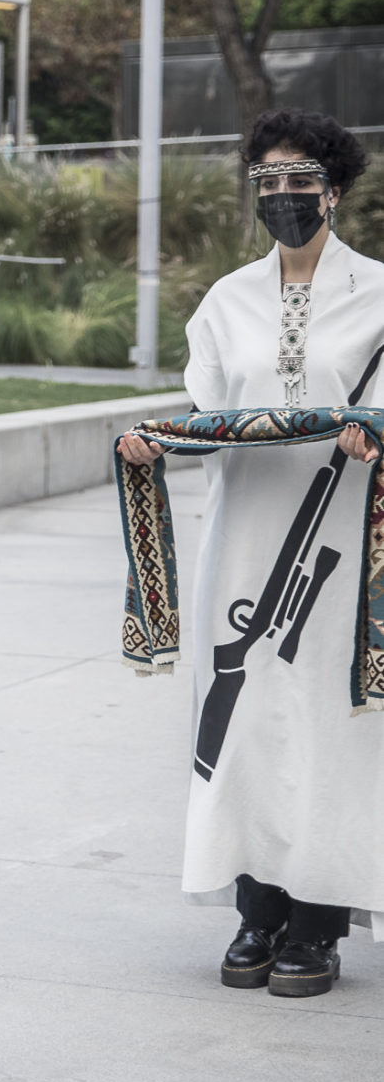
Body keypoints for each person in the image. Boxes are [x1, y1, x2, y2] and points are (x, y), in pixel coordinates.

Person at [119, 109, 384, 998]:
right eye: (265, 180)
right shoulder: (224, 300)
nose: (282, 195)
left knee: (319, 727)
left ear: (333, 189)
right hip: (242, 540)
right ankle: (255, 911)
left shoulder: (380, 296)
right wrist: (156, 442)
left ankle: (316, 922)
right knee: (237, 723)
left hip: (340, 541)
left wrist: (368, 436)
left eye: (298, 178)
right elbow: (208, 414)